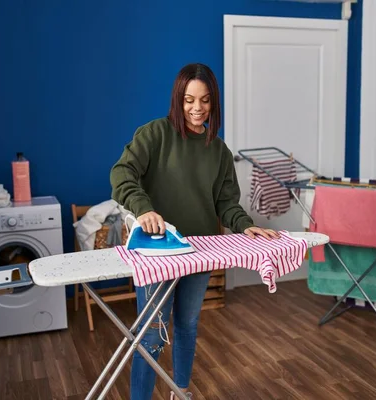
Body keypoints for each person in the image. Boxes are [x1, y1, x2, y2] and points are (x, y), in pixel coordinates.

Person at [109, 63, 279, 400]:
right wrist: (144, 209)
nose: (196, 108)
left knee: (187, 326)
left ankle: (179, 392)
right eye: (189, 100)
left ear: (213, 102)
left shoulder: (218, 151)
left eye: (204, 101)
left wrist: (246, 225)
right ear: (178, 99)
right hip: (158, 252)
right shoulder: (155, 134)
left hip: (199, 252)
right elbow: (121, 174)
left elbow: (226, 203)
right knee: (153, 334)